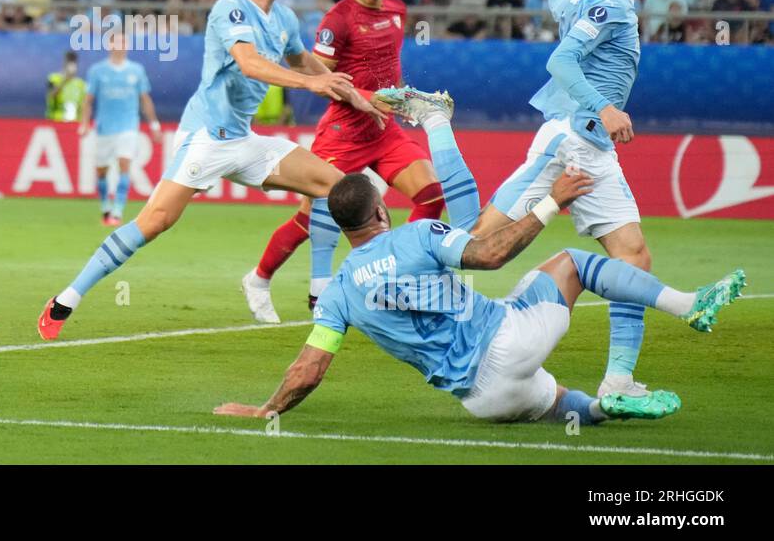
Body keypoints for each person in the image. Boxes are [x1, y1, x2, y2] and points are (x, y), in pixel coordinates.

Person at [214, 105, 745, 425]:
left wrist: (266, 410)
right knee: (573, 263)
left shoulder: (337, 295)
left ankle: (606, 409)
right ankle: (687, 306)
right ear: (380, 209)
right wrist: (551, 201)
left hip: (480, 398)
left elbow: (311, 368)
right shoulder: (417, 234)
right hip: (504, 344)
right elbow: (489, 254)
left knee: (562, 404)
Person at [36, 0, 382, 341]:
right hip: (207, 137)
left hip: (244, 140)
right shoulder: (230, 8)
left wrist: (351, 92)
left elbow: (303, 61)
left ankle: (321, 294)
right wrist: (312, 84)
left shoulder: (284, 17)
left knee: (337, 187)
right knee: (155, 222)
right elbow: (250, 62)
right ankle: (67, 297)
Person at [472, 0, 658, 400]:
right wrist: (606, 106)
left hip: (581, 140)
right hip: (577, 136)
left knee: (632, 256)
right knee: (480, 243)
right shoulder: (612, 5)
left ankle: (619, 382)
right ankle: (409, 292)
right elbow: (560, 61)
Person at [243, 0, 452, 324]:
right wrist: (370, 98)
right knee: (310, 219)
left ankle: (397, 279)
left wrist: (404, 102)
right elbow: (320, 78)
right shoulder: (337, 19)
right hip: (343, 131)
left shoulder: (396, 11)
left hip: (384, 131)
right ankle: (259, 278)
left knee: (431, 193)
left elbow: (390, 67)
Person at [78, 30, 162, 226]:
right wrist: (84, 124)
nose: (121, 46)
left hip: (128, 127)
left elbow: (145, 99)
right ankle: (106, 207)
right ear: (110, 45)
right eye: (117, 42)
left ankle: (117, 211)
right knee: (102, 171)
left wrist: (154, 124)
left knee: (125, 164)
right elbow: (88, 100)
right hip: (104, 128)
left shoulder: (136, 70)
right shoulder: (97, 71)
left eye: (124, 42)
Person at [46, 51, 87, 122]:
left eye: (73, 61)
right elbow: (51, 95)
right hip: (56, 120)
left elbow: (85, 105)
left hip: (75, 122)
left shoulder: (81, 84)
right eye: (69, 61)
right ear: (64, 62)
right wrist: (65, 79)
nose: (70, 65)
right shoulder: (54, 78)